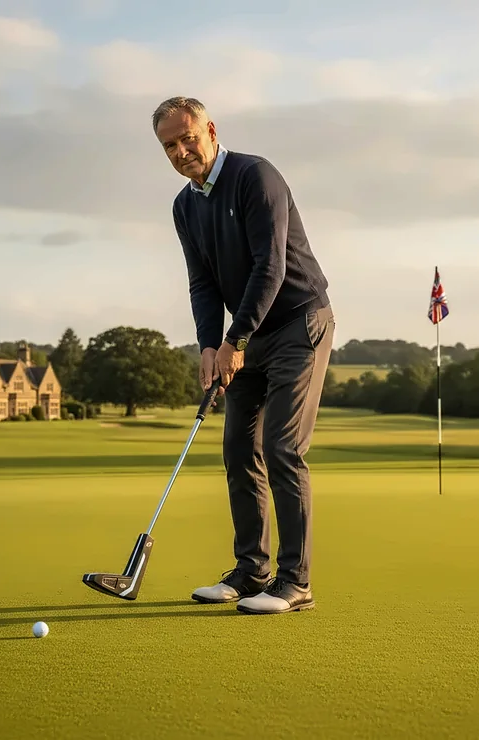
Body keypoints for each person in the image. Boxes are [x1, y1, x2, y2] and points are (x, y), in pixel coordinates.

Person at [152, 96, 335, 615]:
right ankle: (252, 572)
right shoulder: (185, 205)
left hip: (299, 321)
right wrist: (210, 345)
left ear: (210, 130)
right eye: (170, 145)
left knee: (281, 447)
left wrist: (237, 339)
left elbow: (269, 268)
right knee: (238, 448)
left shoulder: (255, 176)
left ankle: (295, 582)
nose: (181, 151)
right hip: (247, 335)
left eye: (188, 138)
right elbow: (202, 283)